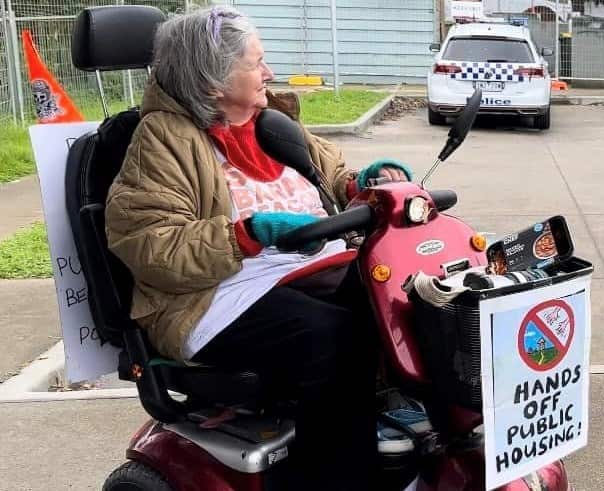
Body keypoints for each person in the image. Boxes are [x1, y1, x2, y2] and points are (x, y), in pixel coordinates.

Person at [104, 6, 412, 489]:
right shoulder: (162, 141)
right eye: (256, 63)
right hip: (212, 297)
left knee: (410, 294)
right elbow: (150, 244)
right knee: (335, 337)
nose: (268, 72)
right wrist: (246, 234)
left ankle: (415, 437)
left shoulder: (271, 123)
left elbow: (328, 174)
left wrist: (364, 185)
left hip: (309, 271)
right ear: (213, 82)